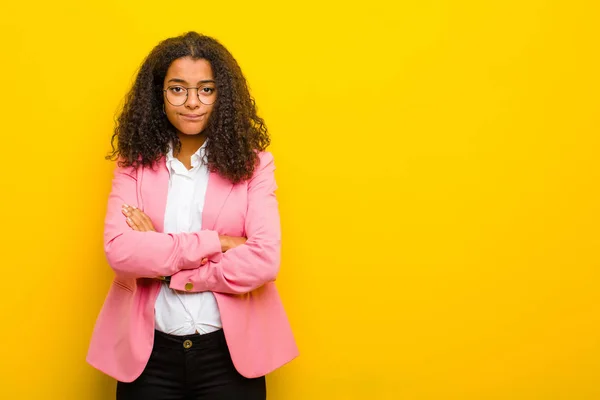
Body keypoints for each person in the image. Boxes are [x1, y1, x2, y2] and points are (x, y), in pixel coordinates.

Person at [86, 31, 298, 400]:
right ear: (159, 94)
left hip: (229, 357)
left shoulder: (255, 165)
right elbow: (120, 252)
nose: (192, 102)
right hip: (149, 356)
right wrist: (218, 241)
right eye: (177, 89)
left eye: (206, 89)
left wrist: (170, 267)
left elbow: (264, 260)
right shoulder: (132, 164)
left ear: (222, 96)